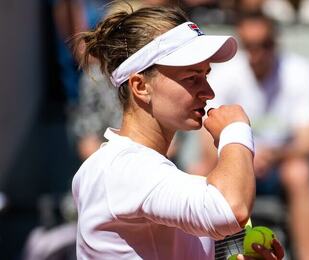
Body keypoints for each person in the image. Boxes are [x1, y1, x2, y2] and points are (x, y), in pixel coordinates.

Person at [72, 5, 284, 259]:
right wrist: (235, 130)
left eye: (206, 75)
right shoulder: (123, 168)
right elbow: (231, 208)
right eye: (192, 78)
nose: (208, 92)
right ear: (140, 86)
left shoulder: (135, 167)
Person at [195, 12, 309, 260]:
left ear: (275, 43)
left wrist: (272, 155)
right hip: (234, 161)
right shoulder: (224, 74)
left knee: (299, 173)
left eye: (264, 45)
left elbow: (308, 142)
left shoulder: (301, 72)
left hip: (280, 164)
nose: (257, 53)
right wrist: (243, 159)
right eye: (250, 46)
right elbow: (207, 148)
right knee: (198, 171)